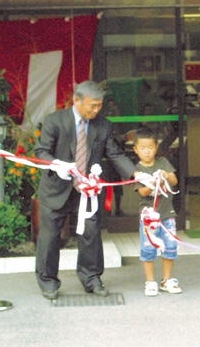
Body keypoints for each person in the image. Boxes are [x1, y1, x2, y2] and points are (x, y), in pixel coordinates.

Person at [34, 80, 141, 300]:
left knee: (91, 234)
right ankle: (48, 282)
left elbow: (115, 154)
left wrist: (135, 174)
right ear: (77, 101)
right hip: (56, 188)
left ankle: (91, 278)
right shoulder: (54, 121)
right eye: (92, 105)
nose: (96, 110)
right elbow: (41, 151)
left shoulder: (103, 125)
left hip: (88, 190)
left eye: (99, 106)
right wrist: (58, 164)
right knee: (50, 235)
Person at [133, 127, 182, 296]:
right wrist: (153, 181)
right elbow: (143, 192)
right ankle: (150, 281)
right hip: (148, 217)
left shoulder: (163, 163)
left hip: (167, 213)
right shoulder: (137, 171)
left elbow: (174, 181)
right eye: (143, 148)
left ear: (156, 148)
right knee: (148, 249)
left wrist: (166, 176)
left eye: (151, 147)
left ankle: (166, 280)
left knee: (170, 247)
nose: (147, 151)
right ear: (136, 149)